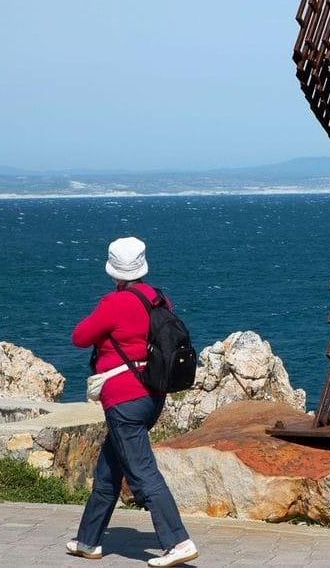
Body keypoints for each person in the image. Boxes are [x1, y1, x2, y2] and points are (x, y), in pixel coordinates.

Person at [65, 236, 200, 567]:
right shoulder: (158, 298)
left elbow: (79, 337)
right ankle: (88, 541)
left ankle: (178, 541)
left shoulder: (114, 303)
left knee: (142, 473)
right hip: (152, 395)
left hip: (124, 400)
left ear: (113, 270)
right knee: (109, 469)